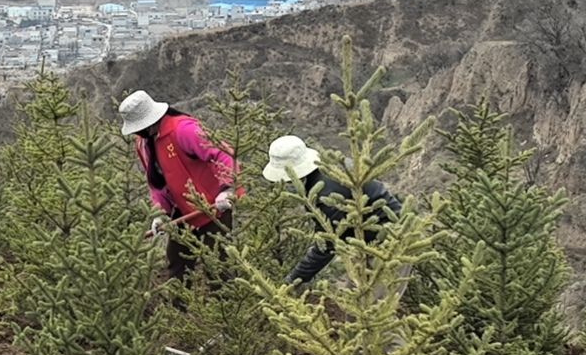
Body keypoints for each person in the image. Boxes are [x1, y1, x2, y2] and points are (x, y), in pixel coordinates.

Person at [118, 89, 237, 281]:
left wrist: (227, 189)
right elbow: (157, 183)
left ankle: (226, 299)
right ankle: (179, 300)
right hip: (182, 213)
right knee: (177, 265)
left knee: (217, 267)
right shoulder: (143, 144)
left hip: (214, 208)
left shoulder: (183, 129)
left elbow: (223, 154)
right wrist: (160, 213)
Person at [262, 135, 403, 287]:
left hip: (389, 241)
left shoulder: (325, 195)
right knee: (358, 293)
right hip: (371, 241)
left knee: (376, 298)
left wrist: (292, 281)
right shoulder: (330, 167)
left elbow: (326, 245)